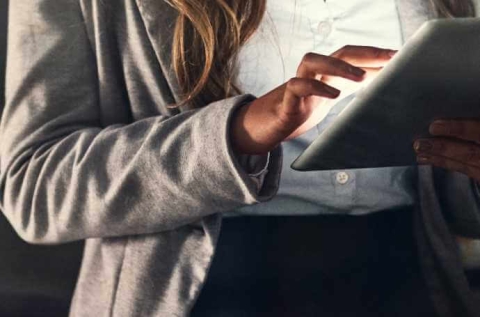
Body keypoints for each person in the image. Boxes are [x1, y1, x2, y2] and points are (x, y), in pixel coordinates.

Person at [1, 0, 479, 316]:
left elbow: (454, 202)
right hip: (207, 292)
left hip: (409, 280)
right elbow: (32, 186)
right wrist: (235, 134)